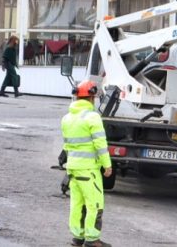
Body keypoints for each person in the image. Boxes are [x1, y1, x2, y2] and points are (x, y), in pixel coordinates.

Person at [62, 80, 113, 247]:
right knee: (95, 204)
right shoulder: (92, 117)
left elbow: (67, 145)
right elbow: (100, 144)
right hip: (89, 169)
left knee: (77, 204)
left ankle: (78, 236)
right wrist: (107, 165)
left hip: (73, 169)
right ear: (91, 98)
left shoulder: (67, 118)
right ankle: (92, 239)